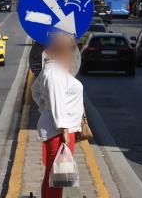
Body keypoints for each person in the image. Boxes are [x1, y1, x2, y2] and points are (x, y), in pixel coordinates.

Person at [31, 33, 84, 198]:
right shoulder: (54, 72)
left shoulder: (54, 69)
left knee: (52, 175)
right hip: (59, 130)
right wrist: (64, 130)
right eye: (70, 49)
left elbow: (35, 91)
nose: (72, 53)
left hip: (58, 128)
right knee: (59, 177)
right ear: (62, 50)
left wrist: (44, 107)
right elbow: (57, 101)